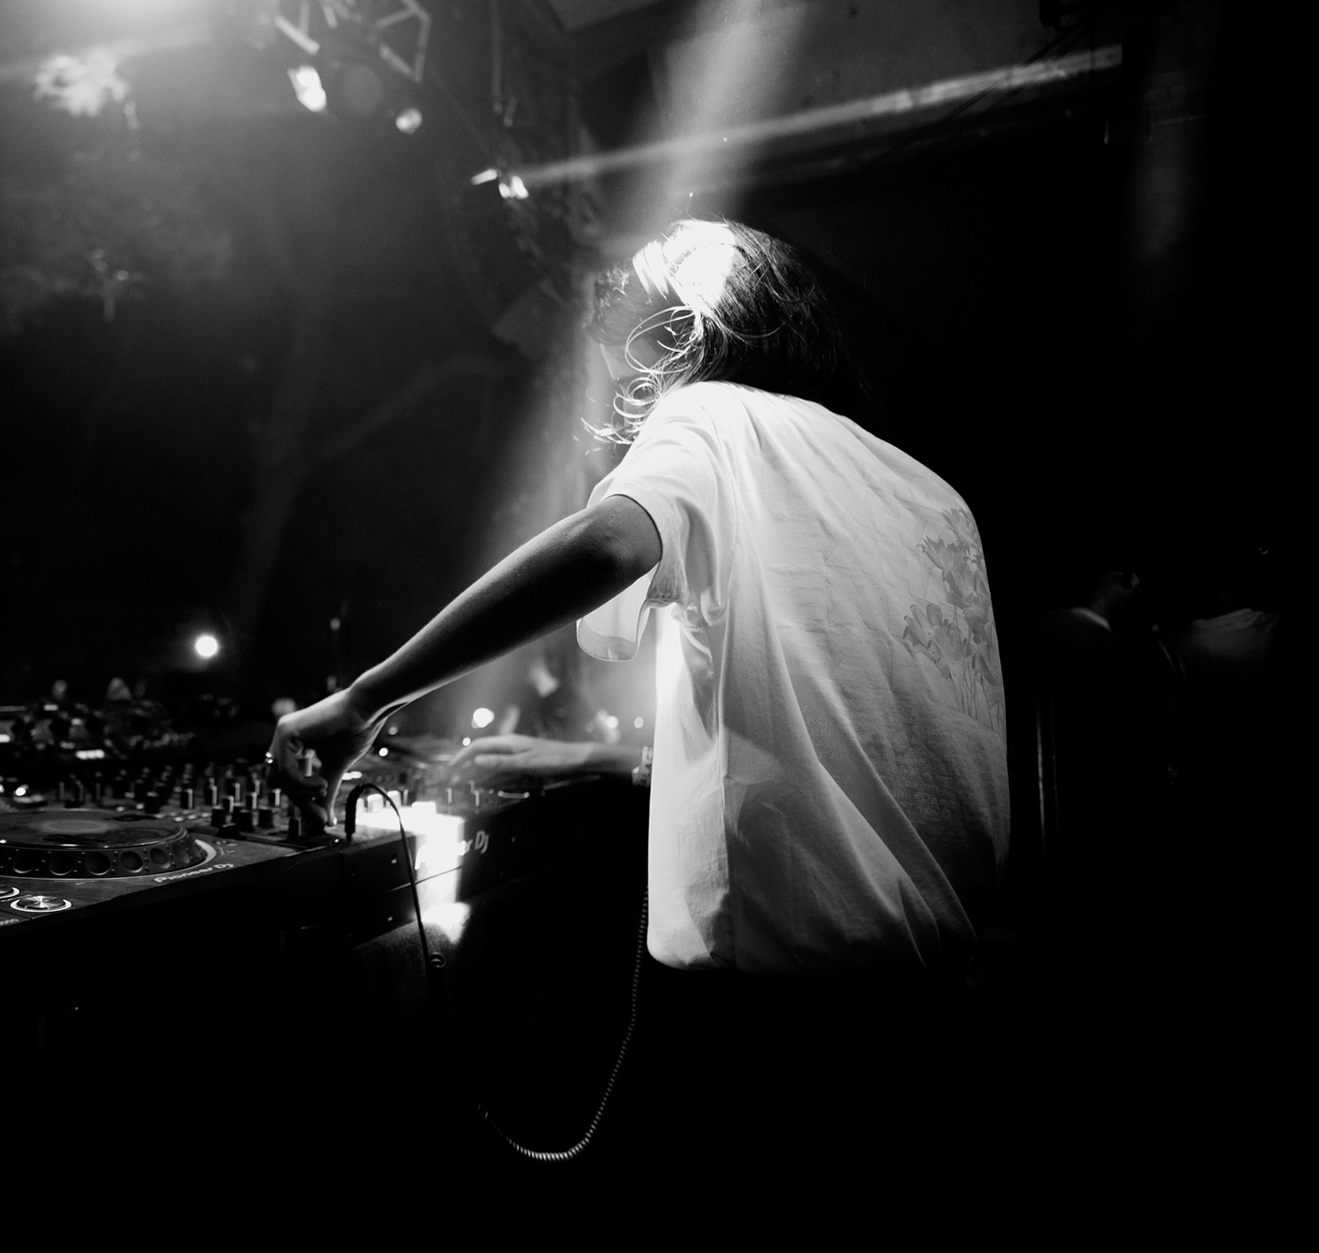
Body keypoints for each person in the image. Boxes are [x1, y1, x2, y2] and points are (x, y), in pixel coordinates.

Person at [267, 220, 1009, 1159]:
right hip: (936, 1014)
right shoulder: (932, 494)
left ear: (693, 323)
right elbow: (834, 730)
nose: (613, 299)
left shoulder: (715, 414)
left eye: (637, 290)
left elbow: (612, 544)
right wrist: (586, 756)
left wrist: (366, 699)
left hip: (767, 1031)